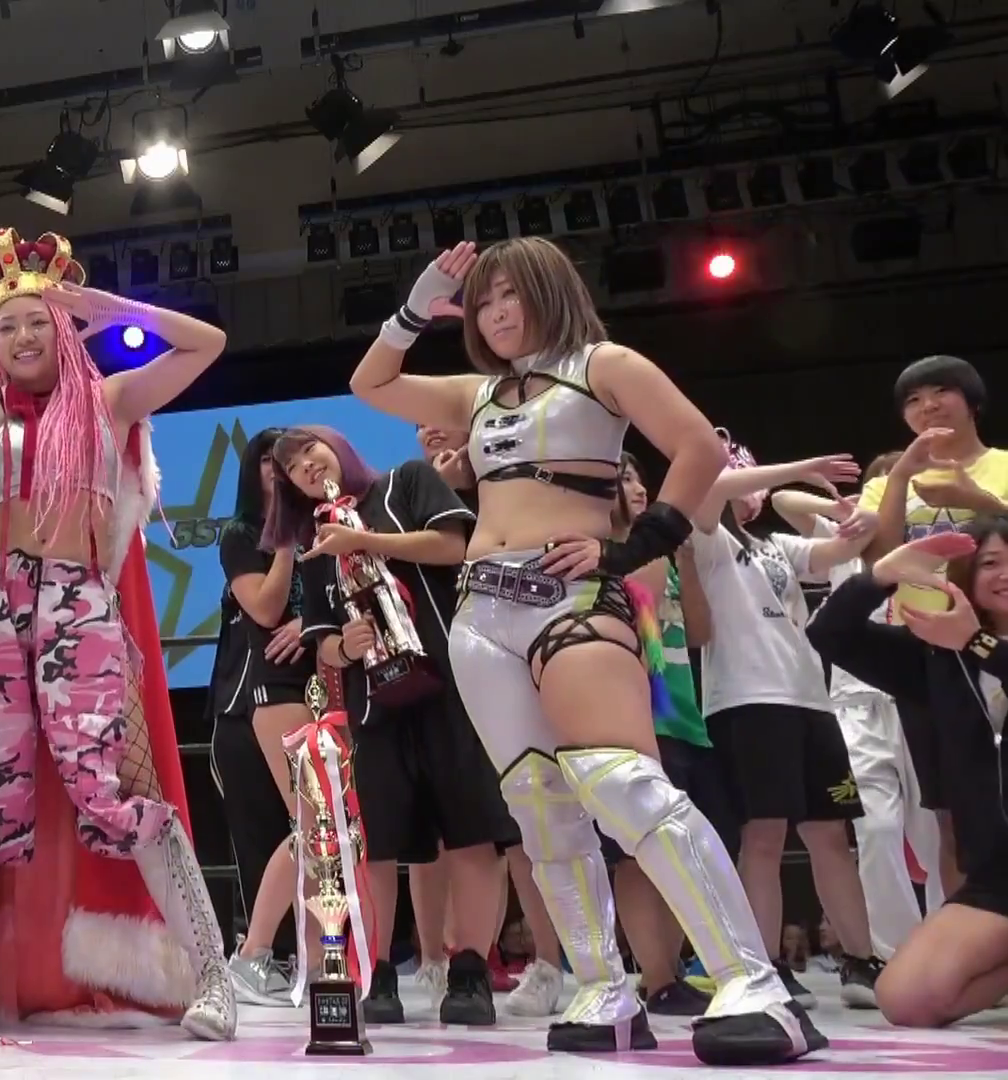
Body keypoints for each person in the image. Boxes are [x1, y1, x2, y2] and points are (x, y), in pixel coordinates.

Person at [349, 237, 819, 1065]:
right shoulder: (478, 392)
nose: (497, 312)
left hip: (570, 598)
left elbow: (698, 448)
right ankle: (604, 989)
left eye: (511, 294)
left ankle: (754, 984)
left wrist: (633, 548)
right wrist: (416, 306)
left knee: (624, 783)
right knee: (538, 806)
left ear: (550, 292)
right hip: (480, 614)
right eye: (484, 300)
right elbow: (371, 383)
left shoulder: (604, 364)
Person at [0, 228, 233, 1037]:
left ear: (62, 329)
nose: (22, 337)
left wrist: (102, 308)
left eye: (36, 322)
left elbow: (208, 344)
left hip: (77, 603)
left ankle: (212, 977)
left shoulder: (110, 400)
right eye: (6, 326)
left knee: (118, 789)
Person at [271, 425, 508, 1026]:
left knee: (471, 832)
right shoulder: (315, 542)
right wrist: (344, 648)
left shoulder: (407, 482)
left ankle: (471, 972)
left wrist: (365, 539)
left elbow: (454, 545)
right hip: (375, 707)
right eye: (292, 467)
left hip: (451, 686)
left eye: (309, 450)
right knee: (375, 846)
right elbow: (322, 642)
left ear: (337, 444)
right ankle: (375, 973)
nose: (305, 466)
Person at [684, 433, 884, 1009]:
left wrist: (844, 509)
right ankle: (765, 966)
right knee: (764, 836)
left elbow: (847, 547)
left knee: (831, 835)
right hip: (748, 701)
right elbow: (711, 488)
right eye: (749, 478)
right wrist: (803, 465)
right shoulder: (708, 538)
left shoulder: (776, 547)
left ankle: (859, 960)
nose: (758, 492)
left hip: (810, 702)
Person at [806, 519, 1008, 1027]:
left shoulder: (965, 643)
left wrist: (978, 641)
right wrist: (880, 577)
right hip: (996, 877)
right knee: (903, 999)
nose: (1004, 574)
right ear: (966, 575)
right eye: (990, 563)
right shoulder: (938, 653)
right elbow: (828, 634)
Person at [419, 423, 565, 1015]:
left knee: (534, 821)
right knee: (461, 834)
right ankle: (451, 959)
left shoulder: (514, 485)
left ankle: (553, 963)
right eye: (419, 426)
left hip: (529, 645)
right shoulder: (415, 494)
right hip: (455, 673)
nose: (430, 431)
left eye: (442, 420)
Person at [775, 451, 944, 962]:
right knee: (875, 829)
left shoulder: (928, 543)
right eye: (883, 485)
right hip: (854, 702)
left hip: (918, 697)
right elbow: (783, 500)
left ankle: (950, 950)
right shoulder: (845, 540)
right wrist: (841, 508)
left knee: (937, 835)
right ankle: (898, 955)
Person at [857, 355, 1006, 898]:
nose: (928, 406)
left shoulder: (1002, 466)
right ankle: (974, 935)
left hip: (1000, 641)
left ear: (972, 402)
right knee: (951, 813)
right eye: (914, 400)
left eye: (941, 392)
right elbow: (878, 561)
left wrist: (973, 501)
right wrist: (900, 476)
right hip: (928, 651)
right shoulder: (887, 485)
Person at [609, 453, 729, 1016]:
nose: (637, 488)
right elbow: (643, 619)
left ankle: (670, 972)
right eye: (622, 479)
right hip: (639, 717)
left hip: (683, 716)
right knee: (637, 854)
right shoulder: (608, 554)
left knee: (679, 847)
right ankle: (656, 976)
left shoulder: (666, 556)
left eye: (638, 477)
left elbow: (700, 631)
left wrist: (685, 560)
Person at [211, 426, 310, 1006]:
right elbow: (267, 608)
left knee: (321, 826)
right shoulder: (241, 535)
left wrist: (311, 624)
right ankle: (255, 954)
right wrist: (287, 540)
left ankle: (303, 955)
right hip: (259, 695)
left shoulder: (326, 526)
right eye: (271, 461)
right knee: (293, 827)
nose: (282, 470)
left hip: (320, 688)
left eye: (290, 460)